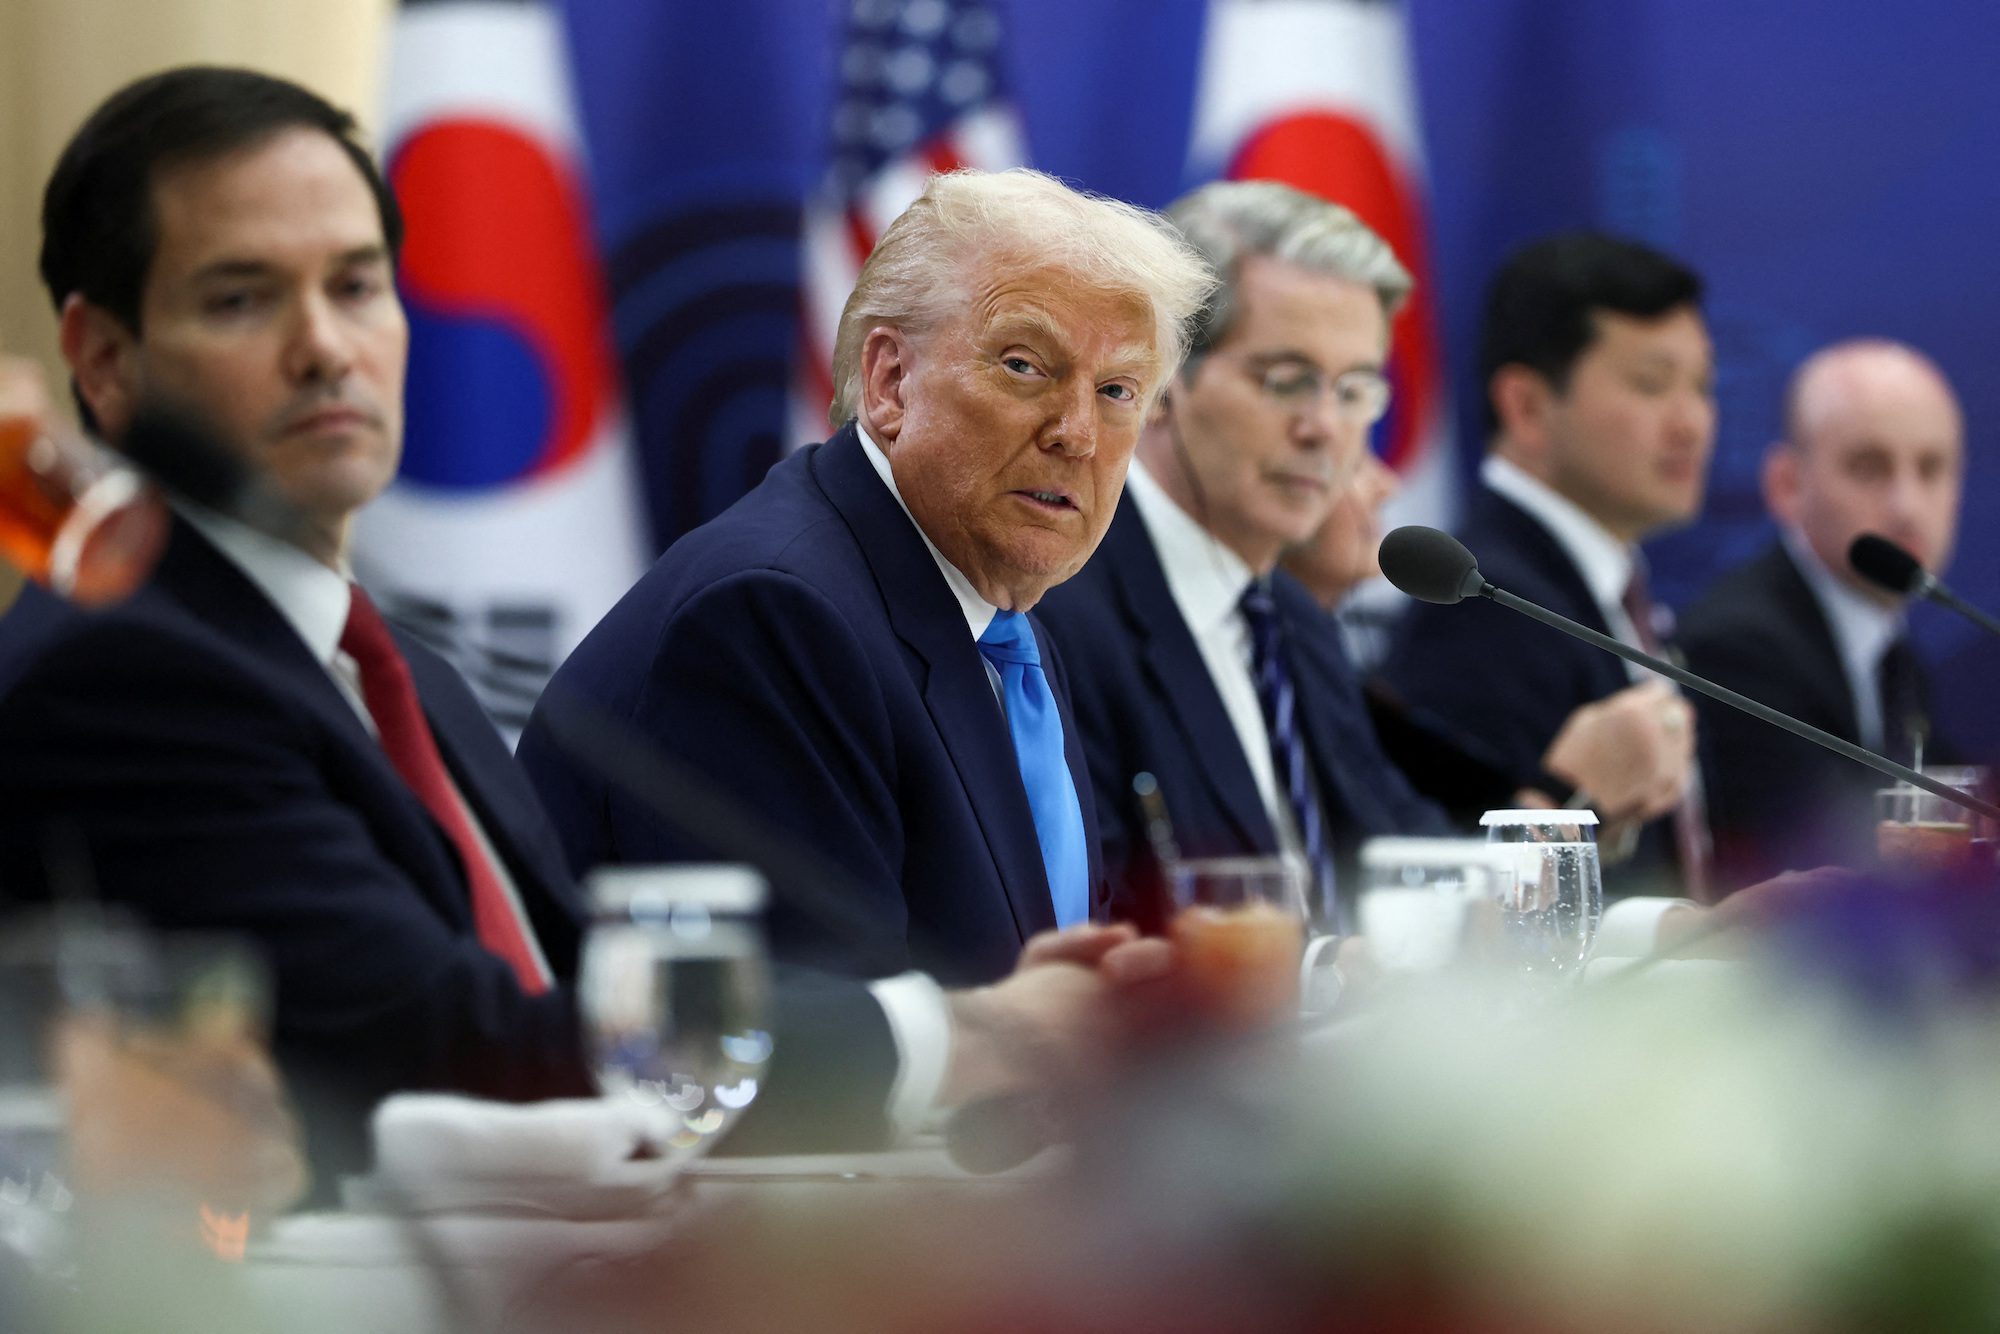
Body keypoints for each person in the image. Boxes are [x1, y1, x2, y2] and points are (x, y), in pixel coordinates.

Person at [0, 70, 1170, 1187]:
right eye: (242, 297)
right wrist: (962, 1036)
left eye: (357, 286)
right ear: (103, 361)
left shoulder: (410, 679)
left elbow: (588, 989)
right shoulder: (136, 667)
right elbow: (448, 1039)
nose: (325, 346)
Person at [519, 169, 1214, 984]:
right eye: (1026, 366)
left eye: (1116, 391)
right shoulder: (775, 616)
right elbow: (822, 1054)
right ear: (890, 382)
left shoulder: (998, 624)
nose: (1078, 434)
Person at [1032, 181, 1446, 929]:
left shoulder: (1288, 616)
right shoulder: (1059, 608)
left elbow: (1401, 846)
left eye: (1355, 389)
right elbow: (1099, 926)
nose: (1324, 428)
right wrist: (1327, 976)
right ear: (1161, 379)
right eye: (1285, 381)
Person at [1379, 232, 1711, 899]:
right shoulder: (1481, 608)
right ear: (1528, 407)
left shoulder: (1610, 587)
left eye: (1701, 386)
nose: (1691, 423)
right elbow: (1464, 889)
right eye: (1652, 385)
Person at [1280, 428, 1698, 839]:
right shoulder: (1481, 612)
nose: (1388, 487)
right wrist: (1568, 793)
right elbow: (1398, 871)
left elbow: (1428, 837)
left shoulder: (1329, 667)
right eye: (1355, 466)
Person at [1679, 339, 1968, 886]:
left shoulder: (1891, 652)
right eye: (1869, 467)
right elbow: (1838, 861)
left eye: (1932, 469)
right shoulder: (1741, 648)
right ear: (1787, 484)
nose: (1906, 506)